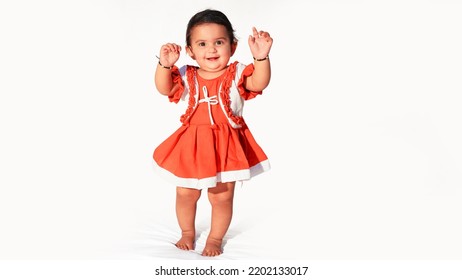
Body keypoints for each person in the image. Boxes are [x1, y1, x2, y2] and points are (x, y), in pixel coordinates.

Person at [153, 9, 273, 257]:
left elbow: (258, 83)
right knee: (185, 192)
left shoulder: (238, 73)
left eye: (219, 42)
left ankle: (215, 238)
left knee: (221, 196)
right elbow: (164, 88)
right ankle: (187, 232)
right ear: (189, 50)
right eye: (202, 44)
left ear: (233, 45)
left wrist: (261, 59)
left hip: (226, 146)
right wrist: (165, 65)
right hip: (192, 145)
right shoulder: (187, 75)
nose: (212, 49)